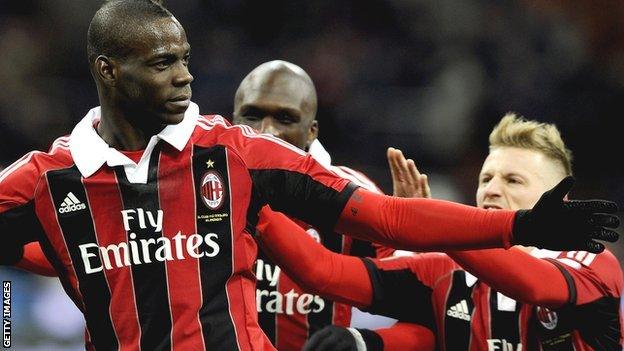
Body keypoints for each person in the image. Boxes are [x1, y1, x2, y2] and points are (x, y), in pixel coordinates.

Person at [0, 1, 618, 349]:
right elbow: (60, 257)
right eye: (165, 64)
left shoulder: (236, 160)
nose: (186, 78)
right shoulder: (51, 181)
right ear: (109, 71)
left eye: (186, 61)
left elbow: (383, 229)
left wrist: (513, 227)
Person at [254, 114, 623, 350]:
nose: (491, 189)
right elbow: (323, 271)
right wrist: (255, 202)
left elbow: (534, 285)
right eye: (486, 178)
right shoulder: (443, 273)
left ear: (559, 202)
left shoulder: (592, 263)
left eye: (513, 179)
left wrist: (427, 227)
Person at [233, 60, 394, 350]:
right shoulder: (200, 190)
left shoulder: (353, 196)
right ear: (232, 122)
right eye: (252, 116)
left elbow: (411, 293)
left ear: (311, 131)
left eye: (284, 118)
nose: (266, 132)